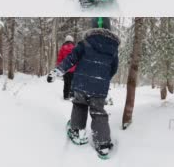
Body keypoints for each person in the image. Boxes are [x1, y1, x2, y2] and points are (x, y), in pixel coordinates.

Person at [47, 17, 120, 157]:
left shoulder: (85, 42)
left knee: (80, 105)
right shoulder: (113, 48)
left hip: (81, 83)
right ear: (109, 28)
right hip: (100, 87)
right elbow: (114, 68)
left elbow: (71, 59)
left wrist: (57, 72)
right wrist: (104, 79)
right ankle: (103, 144)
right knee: (98, 112)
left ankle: (77, 131)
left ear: (93, 27)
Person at [56, 35, 77, 100]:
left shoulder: (63, 48)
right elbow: (77, 59)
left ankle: (65, 96)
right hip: (73, 69)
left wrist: (59, 67)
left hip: (65, 69)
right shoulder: (75, 48)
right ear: (72, 40)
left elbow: (59, 59)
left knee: (66, 83)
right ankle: (72, 95)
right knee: (73, 83)